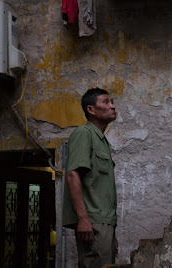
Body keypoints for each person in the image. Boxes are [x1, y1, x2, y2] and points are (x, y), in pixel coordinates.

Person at [63, 88, 118, 268]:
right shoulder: (84, 134)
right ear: (91, 110)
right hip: (93, 222)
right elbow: (72, 175)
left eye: (112, 102)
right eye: (106, 102)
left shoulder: (101, 141)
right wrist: (83, 219)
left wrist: (111, 233)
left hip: (104, 223)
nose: (112, 106)